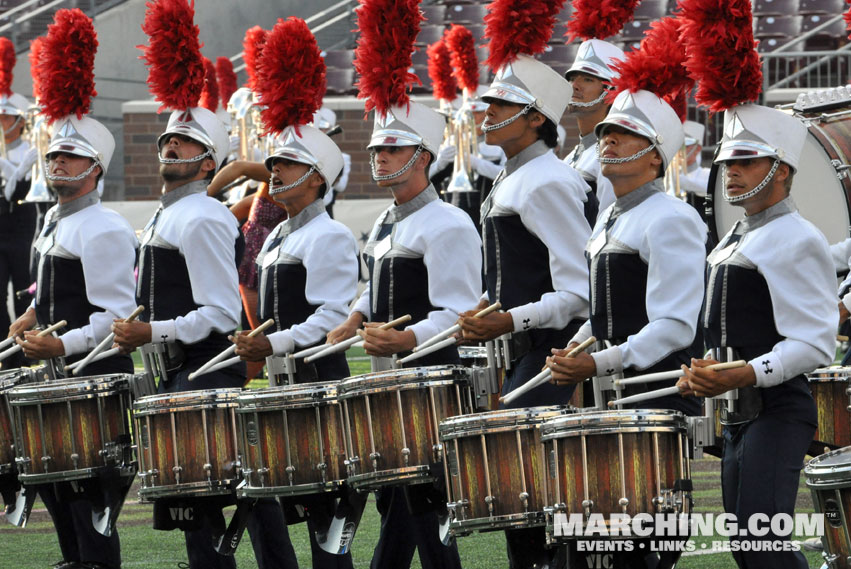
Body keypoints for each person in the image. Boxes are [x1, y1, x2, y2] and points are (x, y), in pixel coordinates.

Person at [112, 106, 288, 569]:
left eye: (187, 142)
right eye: (168, 139)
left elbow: (221, 312)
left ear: (209, 161)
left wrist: (152, 330)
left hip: (206, 367)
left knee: (225, 491)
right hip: (177, 369)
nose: (172, 145)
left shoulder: (203, 216)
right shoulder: (169, 212)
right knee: (211, 497)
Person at [679, 103, 837, 569]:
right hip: (738, 415)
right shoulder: (734, 235)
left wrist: (744, 373)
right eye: (729, 162)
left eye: (747, 161)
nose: (732, 171)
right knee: (748, 550)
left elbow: (815, 343)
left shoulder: (799, 236)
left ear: (782, 170)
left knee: (764, 547)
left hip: (779, 410)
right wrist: (708, 371)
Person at [327, 100, 481, 569]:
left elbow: (460, 312)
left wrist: (407, 339)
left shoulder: (449, 222)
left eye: (394, 149)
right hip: (392, 383)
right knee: (399, 502)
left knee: (423, 504)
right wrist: (355, 316)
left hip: (431, 384)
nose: (381, 157)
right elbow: (375, 284)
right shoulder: (387, 218)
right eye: (377, 149)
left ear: (424, 156)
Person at [453, 54, 591, 569]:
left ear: (537, 118)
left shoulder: (547, 180)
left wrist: (509, 320)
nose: (487, 113)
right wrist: (487, 311)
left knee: (538, 503)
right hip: (528, 353)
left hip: (556, 356)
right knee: (521, 505)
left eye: (502, 105)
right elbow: (522, 277)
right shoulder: (517, 178)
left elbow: (580, 292)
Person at [9, 113, 136, 569]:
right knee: (53, 482)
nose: (58, 162)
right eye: (54, 155)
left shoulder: (105, 226)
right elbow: (54, 292)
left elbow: (119, 318)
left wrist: (62, 345)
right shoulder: (53, 221)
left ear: (95, 167)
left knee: (89, 494)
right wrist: (30, 315)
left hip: (96, 378)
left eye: (71, 156)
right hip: (60, 374)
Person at [232, 123, 359, 569]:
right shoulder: (275, 236)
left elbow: (330, 315)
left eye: (289, 164)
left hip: (320, 384)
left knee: (326, 517)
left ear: (318, 177)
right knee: (271, 496)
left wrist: (270, 343)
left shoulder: (332, 235)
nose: (276, 171)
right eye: (274, 164)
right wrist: (255, 340)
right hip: (282, 382)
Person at [563, 39, 624, 223]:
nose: (575, 85)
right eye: (572, 78)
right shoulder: (570, 157)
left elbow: (607, 226)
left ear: (610, 91)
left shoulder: (613, 154)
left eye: (587, 79)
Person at [430, 85, 506, 231]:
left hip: (490, 213)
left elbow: (507, 175)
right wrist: (439, 164)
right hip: (456, 212)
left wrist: (478, 164)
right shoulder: (453, 141)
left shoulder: (502, 142)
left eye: (478, 112)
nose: (473, 117)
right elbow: (424, 180)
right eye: (469, 112)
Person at [0, 91, 38, 369]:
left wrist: (11, 167)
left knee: (24, 288)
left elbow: (19, 191)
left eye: (7, 117)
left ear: (20, 120)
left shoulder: (30, 149)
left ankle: (28, 348)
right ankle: (6, 353)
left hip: (22, 223)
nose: (1, 122)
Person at [679, 119, 711, 217]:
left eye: (685, 146)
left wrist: (676, 179)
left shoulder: (707, 174)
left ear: (697, 149)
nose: (680, 149)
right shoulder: (667, 175)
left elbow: (706, 187)